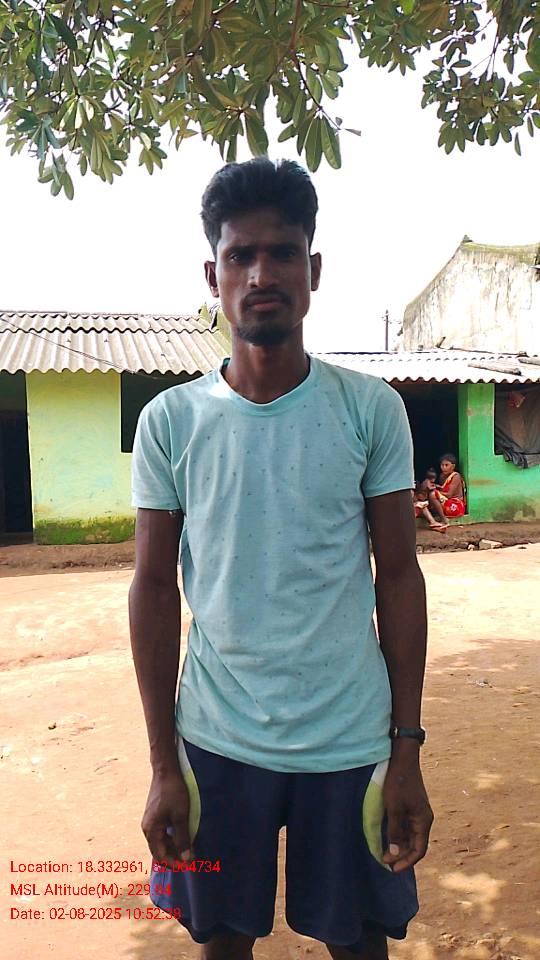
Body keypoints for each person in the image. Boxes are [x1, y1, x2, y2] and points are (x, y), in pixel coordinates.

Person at [129, 158, 433, 960]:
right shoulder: (171, 422)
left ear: (313, 269)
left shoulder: (369, 410)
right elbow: (153, 587)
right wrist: (164, 763)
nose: (261, 274)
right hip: (216, 744)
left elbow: (400, 576)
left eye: (283, 253)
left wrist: (406, 748)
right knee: (222, 942)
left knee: (359, 944)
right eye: (240, 255)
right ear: (214, 276)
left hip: (351, 742)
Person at [434, 454, 466, 519]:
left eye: (446, 465)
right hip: (446, 502)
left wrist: (436, 492)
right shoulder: (442, 476)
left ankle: (443, 519)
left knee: (433, 494)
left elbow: (449, 495)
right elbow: (443, 490)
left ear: (453, 466)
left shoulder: (456, 476)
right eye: (442, 465)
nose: (444, 467)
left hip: (456, 505)